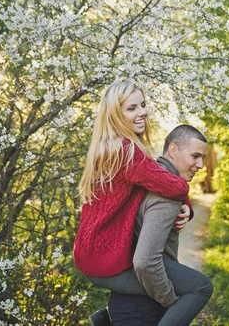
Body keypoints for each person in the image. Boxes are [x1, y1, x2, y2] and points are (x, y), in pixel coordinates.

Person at [73, 79, 211, 326]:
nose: (142, 112)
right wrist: (172, 302)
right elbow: (174, 184)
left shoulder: (111, 147)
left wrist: (184, 206)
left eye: (143, 105)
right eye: (132, 108)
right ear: (116, 115)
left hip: (90, 252)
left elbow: (160, 179)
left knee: (163, 285)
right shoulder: (126, 151)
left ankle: (107, 320)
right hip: (104, 260)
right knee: (194, 288)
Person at [107, 125, 212, 326]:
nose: (200, 164)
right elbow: (146, 261)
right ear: (173, 150)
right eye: (195, 156)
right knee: (202, 287)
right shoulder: (166, 193)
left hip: (126, 300)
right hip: (141, 308)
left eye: (203, 158)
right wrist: (171, 300)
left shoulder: (146, 177)